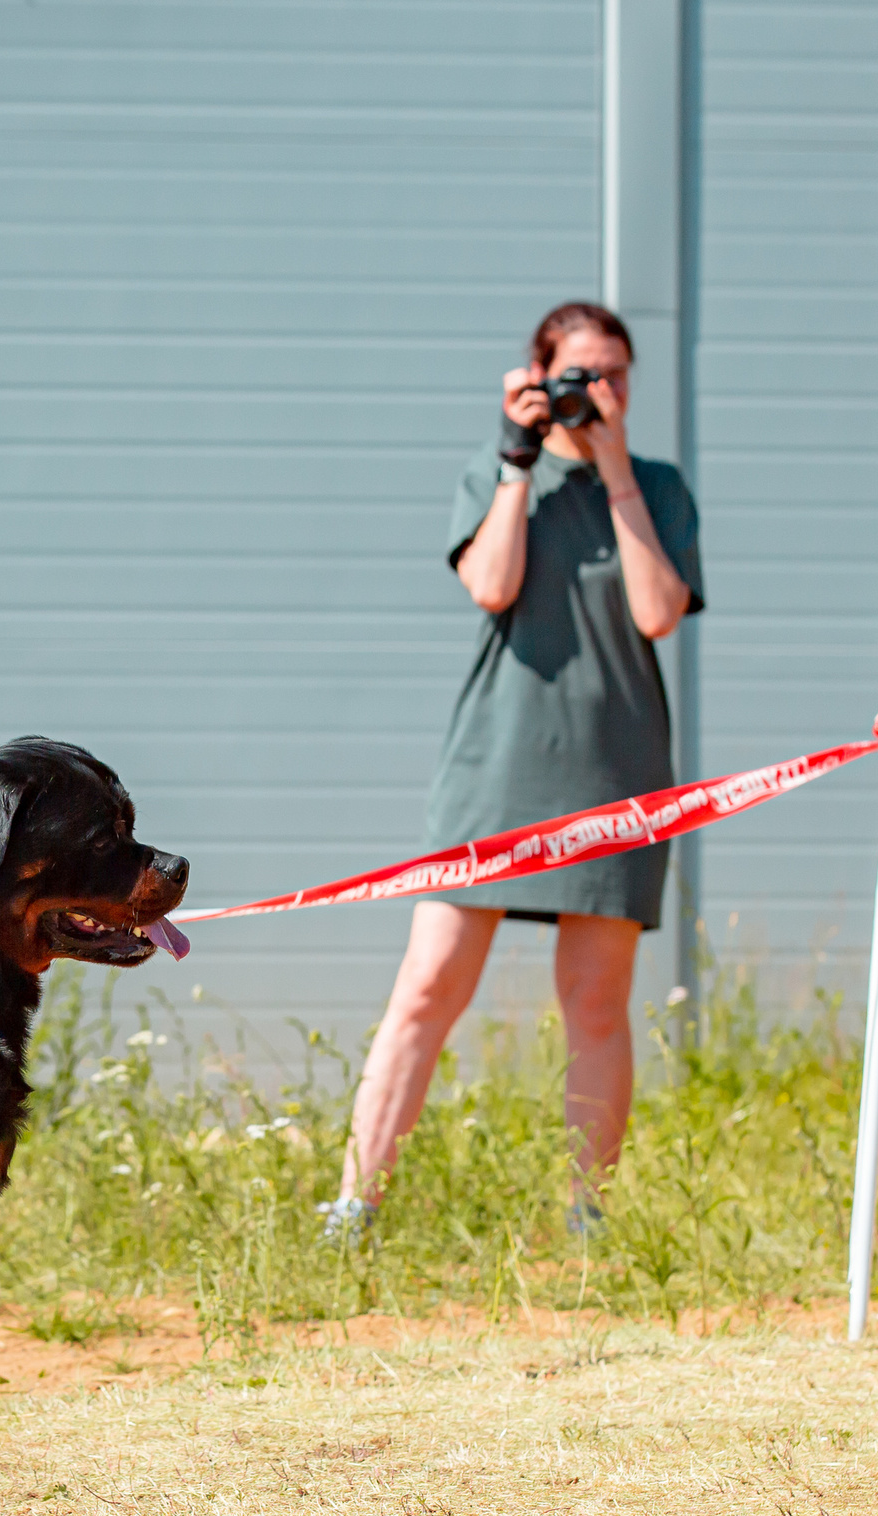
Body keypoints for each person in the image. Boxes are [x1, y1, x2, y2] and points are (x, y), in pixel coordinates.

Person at [323, 302, 705, 1242]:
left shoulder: (658, 485)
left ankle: (587, 1217)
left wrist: (616, 469)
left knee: (596, 1003)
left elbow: (658, 613)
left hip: (617, 774)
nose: (599, 389)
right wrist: (516, 459)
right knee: (426, 987)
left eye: (614, 373)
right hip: (495, 768)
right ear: (537, 374)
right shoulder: (499, 473)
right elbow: (491, 585)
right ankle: (355, 1207)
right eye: (580, 372)